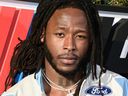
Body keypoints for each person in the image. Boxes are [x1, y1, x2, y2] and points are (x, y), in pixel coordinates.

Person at [1, 0, 128, 96]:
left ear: (90, 40)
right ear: (43, 35)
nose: (69, 46)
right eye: (60, 34)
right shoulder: (19, 93)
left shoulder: (120, 88)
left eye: (80, 36)